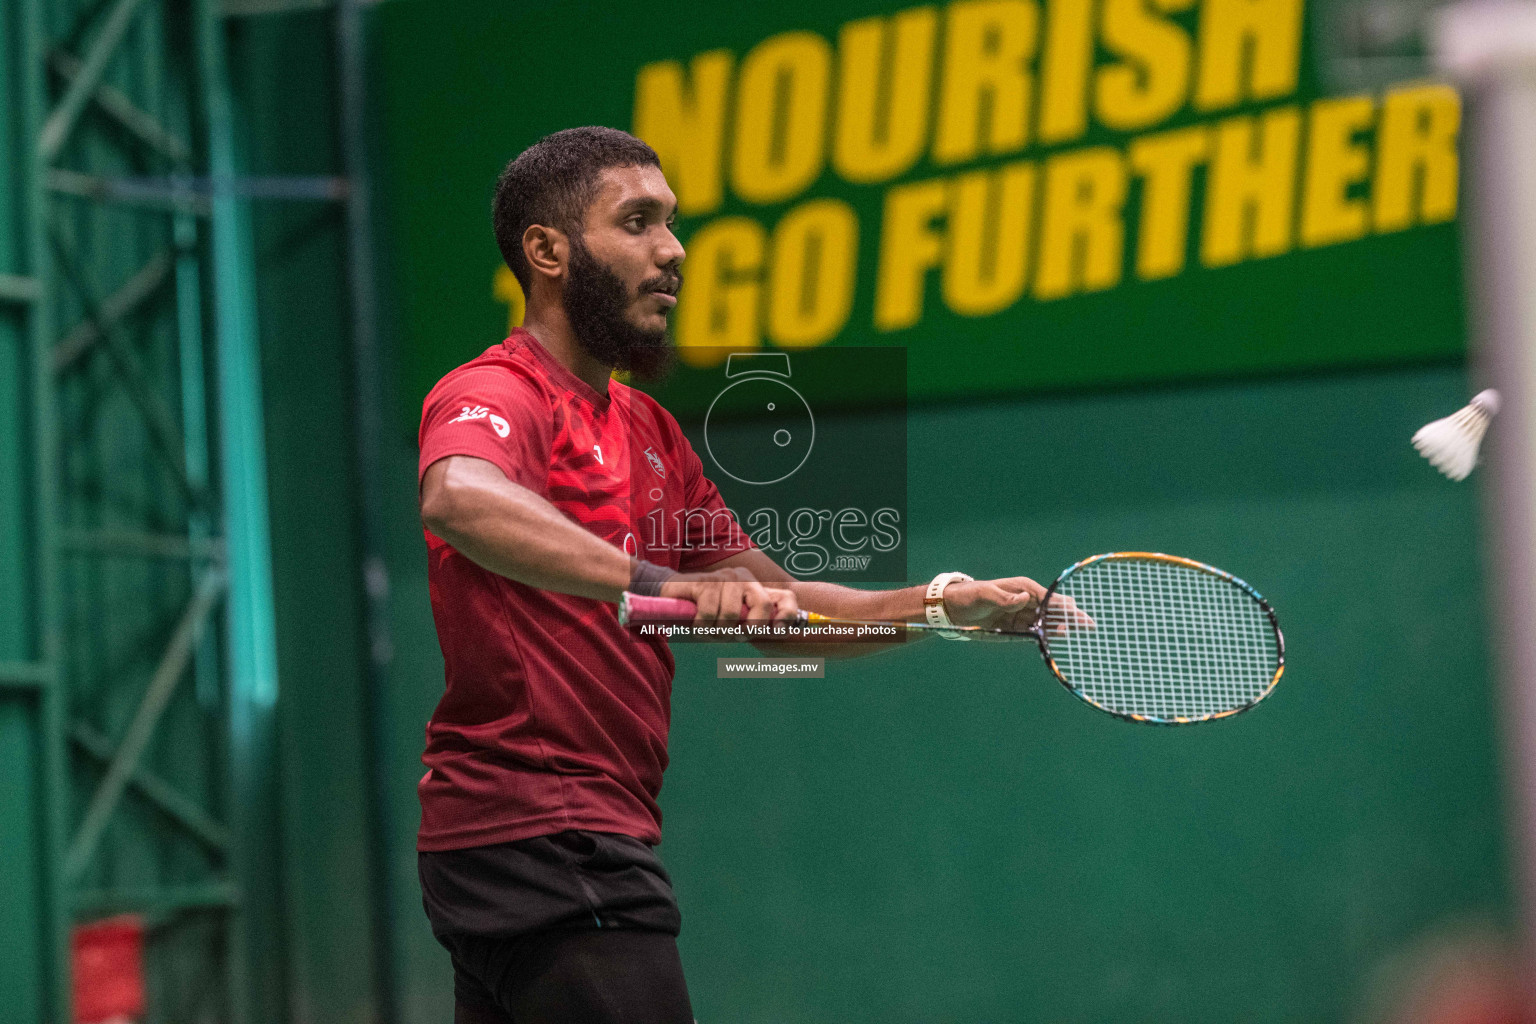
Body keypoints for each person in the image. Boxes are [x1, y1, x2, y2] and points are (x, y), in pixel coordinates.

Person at [415, 125, 1061, 1024]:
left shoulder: (652, 434)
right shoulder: (500, 392)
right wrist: (660, 585)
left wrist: (942, 607)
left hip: (539, 836)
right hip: (546, 827)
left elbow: (778, 611)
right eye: (637, 222)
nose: (673, 250)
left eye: (672, 224)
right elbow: (459, 498)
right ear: (547, 251)